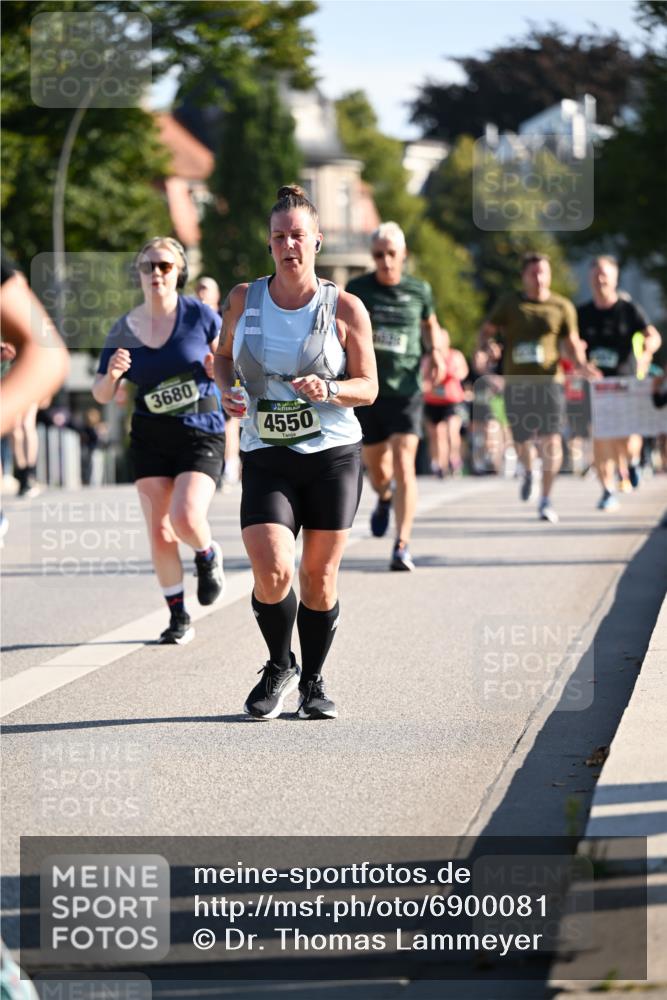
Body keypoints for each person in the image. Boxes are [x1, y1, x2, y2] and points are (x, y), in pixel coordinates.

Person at [214, 184, 377, 721]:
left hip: (332, 455)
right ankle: (280, 664)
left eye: (298, 236)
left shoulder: (346, 308)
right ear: (269, 243)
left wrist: (329, 389)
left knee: (318, 578)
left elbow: (369, 387)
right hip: (267, 451)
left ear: (317, 241)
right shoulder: (244, 299)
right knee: (271, 568)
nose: (289, 245)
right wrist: (226, 391)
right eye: (280, 236)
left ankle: (313, 681)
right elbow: (222, 356)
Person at [93, 237, 225, 645]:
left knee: (185, 517)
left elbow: (234, 365)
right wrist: (113, 374)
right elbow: (101, 393)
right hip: (150, 435)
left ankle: (207, 554)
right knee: (160, 531)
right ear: (139, 273)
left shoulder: (200, 315)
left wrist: (218, 368)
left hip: (200, 430)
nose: (156, 273)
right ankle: (178, 615)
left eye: (165, 266)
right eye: (148, 266)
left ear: (178, 272)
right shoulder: (124, 328)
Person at [345, 222, 446, 570]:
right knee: (377, 471)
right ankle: (384, 497)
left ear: (404, 255)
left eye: (391, 254)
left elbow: (430, 325)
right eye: (378, 255)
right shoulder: (358, 289)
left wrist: (437, 353)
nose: (385, 261)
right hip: (368, 390)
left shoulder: (420, 290)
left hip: (407, 390)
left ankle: (401, 544)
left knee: (405, 463)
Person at [478, 252, 593, 524]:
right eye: (533, 273)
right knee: (520, 439)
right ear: (524, 277)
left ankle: (545, 499)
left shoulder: (562, 306)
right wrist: (487, 347)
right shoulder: (510, 303)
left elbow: (572, 342)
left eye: (543, 272)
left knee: (552, 439)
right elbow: (486, 331)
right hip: (516, 382)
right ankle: (529, 470)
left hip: (550, 382)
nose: (539, 278)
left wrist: (583, 365)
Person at [577, 256, 662, 509]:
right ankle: (607, 490)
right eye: (595, 274)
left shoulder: (629, 310)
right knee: (600, 437)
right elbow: (569, 344)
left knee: (626, 438)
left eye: (604, 274)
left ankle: (633, 461)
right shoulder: (582, 313)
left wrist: (648, 349)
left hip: (626, 383)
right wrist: (580, 363)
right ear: (589, 279)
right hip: (597, 386)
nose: (600, 279)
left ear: (615, 278)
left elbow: (653, 336)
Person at [195, 275, 241, 488]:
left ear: (216, 295)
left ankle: (230, 467)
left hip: (224, 377)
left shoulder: (225, 317)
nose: (201, 292)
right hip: (201, 383)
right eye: (198, 288)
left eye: (206, 288)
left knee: (229, 422)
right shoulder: (192, 319)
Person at [422, 339, 469, 477]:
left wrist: (447, 372)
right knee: (437, 435)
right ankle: (439, 464)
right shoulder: (428, 358)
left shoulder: (455, 355)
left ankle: (454, 459)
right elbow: (423, 377)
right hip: (433, 401)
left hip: (452, 400)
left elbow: (463, 372)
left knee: (452, 431)